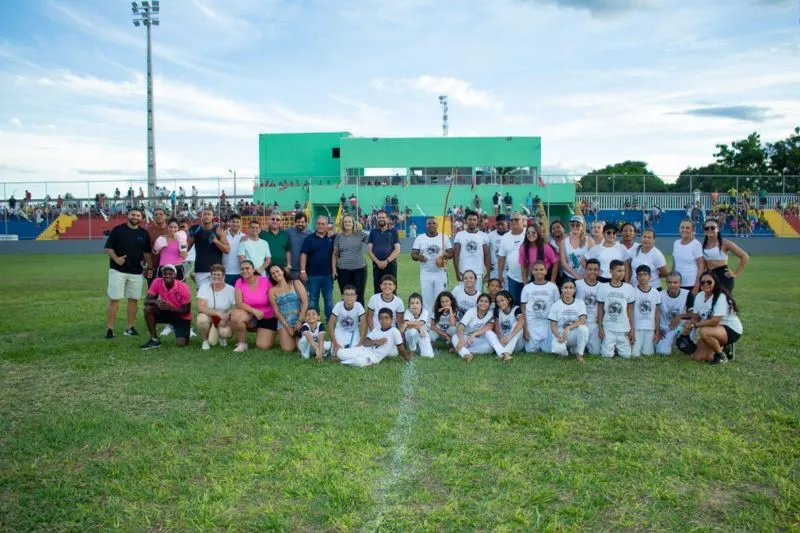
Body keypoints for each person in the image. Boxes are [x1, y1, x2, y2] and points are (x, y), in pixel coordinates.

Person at [104, 207, 153, 339]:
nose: (135, 217)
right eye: (133, 214)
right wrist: (116, 259)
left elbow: (147, 253)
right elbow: (108, 248)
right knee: (114, 299)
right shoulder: (118, 230)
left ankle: (129, 328)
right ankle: (110, 329)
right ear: (128, 215)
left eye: (138, 215)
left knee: (133, 300)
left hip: (136, 272)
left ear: (141, 218)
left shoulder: (143, 233)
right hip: (117, 271)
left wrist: (150, 267)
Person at [682, 271, 743, 364]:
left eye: (709, 282)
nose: (706, 284)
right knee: (698, 357)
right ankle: (723, 347)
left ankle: (721, 356)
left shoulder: (721, 297)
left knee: (703, 331)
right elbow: (696, 316)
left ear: (715, 282)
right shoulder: (700, 295)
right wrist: (689, 325)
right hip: (713, 329)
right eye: (703, 282)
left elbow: (715, 321)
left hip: (730, 329)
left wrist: (694, 325)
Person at [140, 264, 192, 349]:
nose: (167, 275)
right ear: (162, 275)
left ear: (175, 275)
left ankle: (183, 331)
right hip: (166, 311)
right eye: (165, 273)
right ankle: (154, 340)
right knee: (147, 309)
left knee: (181, 343)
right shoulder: (157, 281)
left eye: (170, 273)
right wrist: (156, 301)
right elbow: (146, 301)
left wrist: (171, 308)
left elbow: (187, 310)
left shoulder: (183, 287)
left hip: (180, 315)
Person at [337, 307, 410, 367]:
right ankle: (351, 360)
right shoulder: (376, 330)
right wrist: (376, 342)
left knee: (359, 362)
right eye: (381, 318)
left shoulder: (394, 331)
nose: (384, 320)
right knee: (340, 353)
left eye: (386, 318)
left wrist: (407, 359)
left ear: (392, 320)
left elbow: (401, 348)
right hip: (364, 350)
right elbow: (365, 342)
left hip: (374, 356)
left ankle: (351, 361)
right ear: (379, 320)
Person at [230, 260, 276, 352]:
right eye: (242, 269)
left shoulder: (265, 280)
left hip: (267, 316)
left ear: (253, 270)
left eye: (247, 268)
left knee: (263, 346)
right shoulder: (239, 282)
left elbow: (274, 298)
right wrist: (254, 311)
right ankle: (242, 343)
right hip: (251, 315)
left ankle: (273, 331)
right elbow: (239, 303)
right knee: (235, 315)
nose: (244, 271)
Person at [411, 217, 453, 314]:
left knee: (442, 298)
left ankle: (441, 320)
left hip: (440, 273)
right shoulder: (420, 238)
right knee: (427, 299)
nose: (431, 225)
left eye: (433, 223)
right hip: (426, 273)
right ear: (426, 225)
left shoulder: (444, 237)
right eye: (429, 223)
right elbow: (413, 254)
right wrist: (420, 257)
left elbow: (451, 253)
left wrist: (445, 256)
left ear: (437, 225)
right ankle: (428, 322)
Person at [596, 259, 635, 358]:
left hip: (623, 327)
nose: (622, 274)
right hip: (609, 327)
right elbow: (600, 308)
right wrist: (600, 327)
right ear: (611, 271)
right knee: (606, 355)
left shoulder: (628, 288)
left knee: (626, 355)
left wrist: (632, 329)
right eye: (619, 271)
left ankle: (620, 347)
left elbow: (630, 309)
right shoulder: (603, 287)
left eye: (623, 271)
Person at [300, 215, 335, 321]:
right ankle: (316, 321)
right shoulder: (309, 239)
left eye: (323, 224)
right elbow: (303, 255)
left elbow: (335, 254)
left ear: (327, 225)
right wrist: (302, 271)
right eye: (319, 223)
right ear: (315, 225)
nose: (320, 226)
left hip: (327, 275)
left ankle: (330, 321)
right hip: (312, 275)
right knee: (313, 300)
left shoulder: (331, 238)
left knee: (329, 300)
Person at [520, 260, 560, 352]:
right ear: (532, 271)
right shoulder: (527, 288)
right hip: (532, 323)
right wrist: (525, 328)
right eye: (536, 269)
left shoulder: (552, 287)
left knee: (549, 350)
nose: (539, 272)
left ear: (546, 271)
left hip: (547, 323)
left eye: (541, 269)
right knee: (530, 350)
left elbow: (557, 307)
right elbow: (523, 309)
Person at [268, 264, 308, 352]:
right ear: (271, 276)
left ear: (282, 271)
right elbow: (276, 311)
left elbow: (305, 302)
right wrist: (287, 327)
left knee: (301, 347)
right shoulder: (271, 291)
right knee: (288, 349)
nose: (275, 274)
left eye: (277, 271)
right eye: (272, 273)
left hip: (300, 317)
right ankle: (287, 335)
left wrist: (300, 321)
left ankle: (301, 338)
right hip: (285, 320)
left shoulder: (295, 283)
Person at [701, 219, 749, 293]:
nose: (709, 230)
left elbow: (745, 256)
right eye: (707, 228)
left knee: (723, 301)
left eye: (712, 227)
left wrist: (736, 273)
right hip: (709, 277)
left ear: (718, 229)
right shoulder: (703, 245)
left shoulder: (725, 243)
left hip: (723, 277)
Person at [188, 208, 230, 287]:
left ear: (213, 217)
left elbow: (227, 250)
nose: (206, 216)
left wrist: (216, 241)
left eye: (209, 214)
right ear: (201, 216)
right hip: (201, 268)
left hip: (217, 269)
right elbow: (187, 248)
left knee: (217, 295)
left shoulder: (219, 231)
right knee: (202, 296)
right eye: (205, 214)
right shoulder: (195, 230)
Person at [196, 264, 235, 350]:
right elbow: (201, 307)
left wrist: (225, 317)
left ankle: (221, 336)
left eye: (218, 274)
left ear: (224, 276)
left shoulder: (231, 289)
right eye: (213, 274)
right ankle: (205, 341)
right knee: (201, 319)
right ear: (210, 275)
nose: (215, 277)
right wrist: (217, 313)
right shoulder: (204, 287)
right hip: (209, 317)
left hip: (224, 318)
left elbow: (234, 306)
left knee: (226, 333)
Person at [548, 280, 589, 361]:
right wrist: (558, 336)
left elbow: (582, 320)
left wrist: (568, 328)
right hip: (561, 335)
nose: (568, 290)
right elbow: (553, 325)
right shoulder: (555, 305)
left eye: (571, 288)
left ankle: (579, 355)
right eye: (565, 288)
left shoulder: (580, 302)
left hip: (573, 334)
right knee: (559, 352)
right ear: (561, 289)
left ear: (575, 290)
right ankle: (565, 349)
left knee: (583, 329)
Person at [333, 213, 368, 305]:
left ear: (353, 223)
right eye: (345, 222)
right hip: (343, 270)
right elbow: (335, 254)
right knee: (345, 295)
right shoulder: (339, 236)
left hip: (359, 269)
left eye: (349, 221)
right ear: (342, 223)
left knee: (359, 295)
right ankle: (346, 317)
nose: (347, 223)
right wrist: (333, 269)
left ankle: (360, 318)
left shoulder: (360, 234)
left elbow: (372, 242)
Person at [452, 293, 495, 361]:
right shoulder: (471, 311)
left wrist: (474, 334)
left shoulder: (490, 313)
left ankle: (464, 350)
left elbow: (489, 326)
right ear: (477, 303)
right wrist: (461, 340)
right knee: (455, 337)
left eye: (486, 301)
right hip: (466, 337)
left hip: (477, 338)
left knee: (490, 348)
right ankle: (465, 354)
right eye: (481, 301)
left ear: (489, 304)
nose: (483, 303)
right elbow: (460, 327)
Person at [671, 219, 705, 305]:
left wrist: (697, 285)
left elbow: (701, 265)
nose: (684, 230)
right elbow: (674, 263)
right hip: (677, 284)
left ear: (693, 230)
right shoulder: (676, 243)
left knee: (691, 311)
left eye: (687, 228)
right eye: (682, 227)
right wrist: (671, 279)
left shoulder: (696, 244)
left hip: (691, 284)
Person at [367, 210, 401, 295]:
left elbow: (397, 250)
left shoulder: (393, 232)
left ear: (388, 219)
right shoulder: (373, 232)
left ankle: (393, 308)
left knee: (391, 289)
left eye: (383, 217)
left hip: (390, 265)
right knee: (378, 290)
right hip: (377, 266)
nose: (381, 219)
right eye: (379, 217)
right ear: (377, 219)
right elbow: (369, 250)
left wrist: (386, 261)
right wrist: (377, 261)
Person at [655, 272, 689, 355]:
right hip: (665, 329)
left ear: (680, 283)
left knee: (690, 323)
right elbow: (656, 314)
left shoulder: (687, 294)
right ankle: (671, 342)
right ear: (666, 282)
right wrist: (657, 330)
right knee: (662, 352)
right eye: (669, 282)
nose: (672, 285)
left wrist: (679, 317)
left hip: (680, 328)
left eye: (675, 282)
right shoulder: (659, 295)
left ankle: (686, 340)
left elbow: (694, 314)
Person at [453, 211, 490, 286]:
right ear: (465, 221)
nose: (472, 222)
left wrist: (488, 273)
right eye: (470, 219)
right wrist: (457, 272)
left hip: (478, 273)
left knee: (477, 296)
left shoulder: (484, 236)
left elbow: (487, 255)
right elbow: (455, 255)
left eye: (474, 220)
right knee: (464, 296)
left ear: (477, 221)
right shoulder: (459, 235)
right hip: (463, 272)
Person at [632, 265, 661, 357]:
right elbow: (630, 311)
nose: (642, 277)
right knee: (634, 354)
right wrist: (631, 329)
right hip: (637, 327)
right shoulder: (633, 292)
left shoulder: (656, 293)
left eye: (645, 274)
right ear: (636, 277)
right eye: (639, 275)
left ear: (650, 276)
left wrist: (657, 331)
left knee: (648, 353)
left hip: (650, 327)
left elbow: (657, 313)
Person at [497, 212, 526, 304]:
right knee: (514, 302)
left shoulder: (529, 233)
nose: (513, 222)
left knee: (530, 302)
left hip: (531, 277)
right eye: (511, 220)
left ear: (523, 221)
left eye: (516, 219)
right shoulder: (505, 237)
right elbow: (501, 257)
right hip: (513, 277)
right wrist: (500, 274)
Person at [485, 290, 524, 360]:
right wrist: (500, 339)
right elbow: (497, 329)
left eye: (502, 300)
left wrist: (509, 337)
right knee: (488, 332)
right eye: (498, 302)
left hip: (515, 343)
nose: (500, 303)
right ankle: (504, 353)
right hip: (503, 342)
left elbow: (522, 321)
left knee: (518, 325)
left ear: (509, 299)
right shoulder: (497, 311)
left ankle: (506, 352)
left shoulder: (516, 309)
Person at [329, 285, 367, 356]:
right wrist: (335, 343)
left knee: (356, 351)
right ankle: (330, 345)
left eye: (351, 295)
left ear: (355, 297)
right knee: (335, 353)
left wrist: (360, 343)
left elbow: (364, 325)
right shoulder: (338, 305)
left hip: (353, 331)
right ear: (343, 296)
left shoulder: (358, 306)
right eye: (346, 294)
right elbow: (330, 324)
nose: (349, 297)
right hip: (340, 330)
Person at [576, 258, 602, 355]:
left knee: (596, 352)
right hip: (580, 323)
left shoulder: (602, 286)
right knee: (574, 351)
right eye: (590, 269)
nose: (592, 272)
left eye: (595, 269)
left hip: (594, 323)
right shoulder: (577, 284)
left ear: (599, 271)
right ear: (585, 270)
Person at [560, 215, 594, 282]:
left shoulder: (589, 240)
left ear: (582, 227)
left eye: (578, 225)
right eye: (572, 225)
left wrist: (587, 274)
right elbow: (563, 262)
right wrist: (575, 275)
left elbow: (593, 260)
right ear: (569, 226)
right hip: (569, 276)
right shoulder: (564, 242)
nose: (575, 227)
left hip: (586, 276)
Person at [401, 293, 434, 358]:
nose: (415, 305)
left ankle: (419, 346)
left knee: (428, 356)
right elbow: (409, 327)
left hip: (423, 334)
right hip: (411, 334)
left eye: (417, 303)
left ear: (421, 304)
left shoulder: (425, 312)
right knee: (412, 332)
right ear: (409, 305)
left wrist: (407, 323)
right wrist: (419, 328)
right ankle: (412, 350)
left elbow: (421, 323)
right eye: (412, 303)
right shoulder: (408, 312)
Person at [145, 208, 169, 287]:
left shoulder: (171, 229)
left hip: (169, 267)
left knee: (169, 294)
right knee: (153, 294)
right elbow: (146, 251)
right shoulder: (148, 231)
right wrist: (149, 267)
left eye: (161, 214)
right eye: (156, 215)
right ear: (153, 217)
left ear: (165, 216)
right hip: (154, 267)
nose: (158, 216)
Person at [286, 212, 311, 281]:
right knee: (293, 291)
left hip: (306, 270)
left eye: (302, 222)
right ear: (295, 222)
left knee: (305, 291)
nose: (300, 224)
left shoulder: (310, 234)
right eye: (298, 222)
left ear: (306, 223)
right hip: (292, 269)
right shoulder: (288, 232)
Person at [222, 214, 244, 286]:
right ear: (229, 223)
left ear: (240, 223)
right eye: (233, 222)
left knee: (239, 296)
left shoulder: (244, 236)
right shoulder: (222, 235)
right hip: (225, 272)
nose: (235, 224)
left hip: (240, 272)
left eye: (238, 222)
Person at [488, 214, 508, 282]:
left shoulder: (511, 235)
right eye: (498, 224)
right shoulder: (490, 236)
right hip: (494, 270)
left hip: (508, 270)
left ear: (507, 223)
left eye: (502, 224)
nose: (500, 226)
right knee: (494, 291)